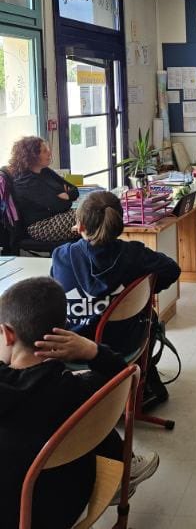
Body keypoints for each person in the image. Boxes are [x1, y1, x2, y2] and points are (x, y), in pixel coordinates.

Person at [0, 277, 158, 529]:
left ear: (8, 334)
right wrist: (93, 351)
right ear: (64, 329)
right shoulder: (82, 390)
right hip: (67, 506)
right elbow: (124, 374)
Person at [51, 191, 180, 356]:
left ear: (80, 226)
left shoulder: (62, 256)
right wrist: (146, 291)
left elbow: (54, 297)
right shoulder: (135, 254)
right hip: (125, 344)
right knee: (151, 317)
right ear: (118, 222)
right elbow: (172, 270)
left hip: (74, 346)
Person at [7, 136, 79, 243]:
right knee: (93, 217)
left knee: (94, 212)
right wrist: (65, 198)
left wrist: (67, 196)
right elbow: (59, 206)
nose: (49, 153)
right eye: (45, 151)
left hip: (60, 216)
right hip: (41, 226)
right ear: (32, 156)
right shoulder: (24, 181)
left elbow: (74, 189)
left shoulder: (45, 171)